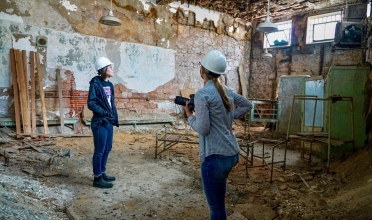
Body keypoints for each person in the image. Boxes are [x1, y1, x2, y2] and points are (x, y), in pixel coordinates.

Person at [183, 50, 252, 220]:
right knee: (220, 202)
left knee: (217, 209)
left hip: (215, 158)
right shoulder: (227, 90)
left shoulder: (203, 94)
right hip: (232, 153)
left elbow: (203, 128)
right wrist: (227, 118)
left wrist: (189, 116)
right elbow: (247, 104)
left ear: (202, 71)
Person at [87, 57, 119, 189]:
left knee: (107, 148)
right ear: (104, 69)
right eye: (110, 67)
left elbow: (111, 104)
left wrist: (113, 116)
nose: (112, 69)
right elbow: (91, 103)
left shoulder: (109, 85)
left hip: (108, 121)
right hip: (100, 122)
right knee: (99, 150)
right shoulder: (96, 84)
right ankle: (97, 178)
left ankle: (103, 172)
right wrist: (104, 113)